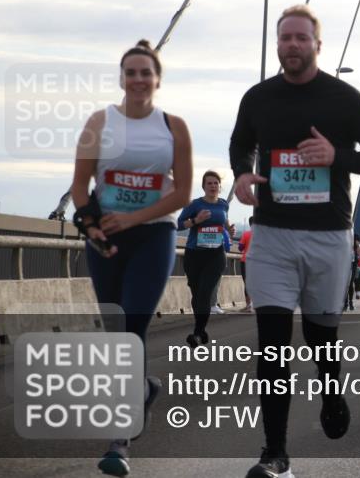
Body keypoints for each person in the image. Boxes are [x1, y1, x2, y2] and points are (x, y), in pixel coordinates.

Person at [230, 4, 360, 478]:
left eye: (302, 38)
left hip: (327, 237)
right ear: (277, 44)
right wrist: (243, 173)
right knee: (273, 344)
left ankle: (331, 389)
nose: (293, 45)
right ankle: (275, 453)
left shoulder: (345, 100)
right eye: (286, 38)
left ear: (317, 46)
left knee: (322, 337)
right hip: (272, 237)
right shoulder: (258, 98)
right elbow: (240, 142)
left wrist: (335, 155)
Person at [71, 40, 193, 476]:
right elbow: (81, 186)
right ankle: (141, 388)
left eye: (146, 72)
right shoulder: (99, 122)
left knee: (131, 326)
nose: (138, 79)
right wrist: (94, 225)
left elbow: (181, 193)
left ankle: (119, 440)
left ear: (157, 79)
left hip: (154, 235)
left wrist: (135, 217)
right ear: (121, 78)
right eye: (131, 72)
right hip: (106, 237)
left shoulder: (174, 126)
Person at [178, 170, 233, 346]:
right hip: (194, 254)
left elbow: (223, 221)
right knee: (196, 293)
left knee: (205, 293)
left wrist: (228, 229)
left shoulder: (224, 204)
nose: (213, 186)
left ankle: (197, 332)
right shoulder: (195, 205)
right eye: (209, 183)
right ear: (203, 186)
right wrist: (196, 220)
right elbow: (179, 224)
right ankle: (200, 330)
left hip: (216, 255)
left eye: (215, 183)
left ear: (219, 186)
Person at [238, 218, 255, 312]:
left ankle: (248, 305)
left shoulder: (246, 234)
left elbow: (240, 248)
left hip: (245, 261)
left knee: (247, 282)